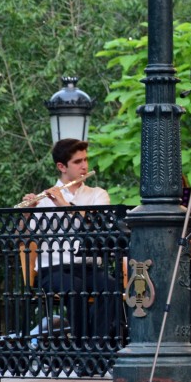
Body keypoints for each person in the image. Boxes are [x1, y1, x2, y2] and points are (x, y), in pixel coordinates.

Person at [18, 138, 122, 345]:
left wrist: (64, 204)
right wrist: (26, 216)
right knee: (75, 287)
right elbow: (21, 238)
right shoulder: (45, 199)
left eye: (85, 160)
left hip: (88, 266)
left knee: (111, 286)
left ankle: (96, 348)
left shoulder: (97, 195)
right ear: (61, 166)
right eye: (77, 162)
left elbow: (98, 226)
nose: (84, 166)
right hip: (53, 269)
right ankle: (80, 347)